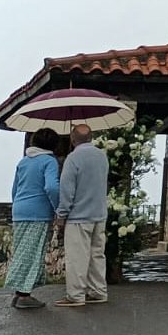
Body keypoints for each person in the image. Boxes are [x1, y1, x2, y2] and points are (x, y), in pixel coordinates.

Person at [53, 124, 109, 307]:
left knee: (77, 257)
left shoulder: (73, 159)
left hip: (78, 216)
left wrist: (61, 215)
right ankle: (98, 291)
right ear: (91, 137)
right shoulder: (102, 156)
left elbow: (67, 190)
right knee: (97, 255)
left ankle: (76, 295)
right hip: (99, 214)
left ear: (73, 138)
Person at [6, 128, 61, 309]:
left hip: (19, 210)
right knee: (33, 253)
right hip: (37, 212)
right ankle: (24, 295)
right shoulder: (49, 161)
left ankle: (19, 292)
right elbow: (52, 187)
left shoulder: (23, 162)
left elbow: (15, 189)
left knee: (22, 251)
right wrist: (58, 207)